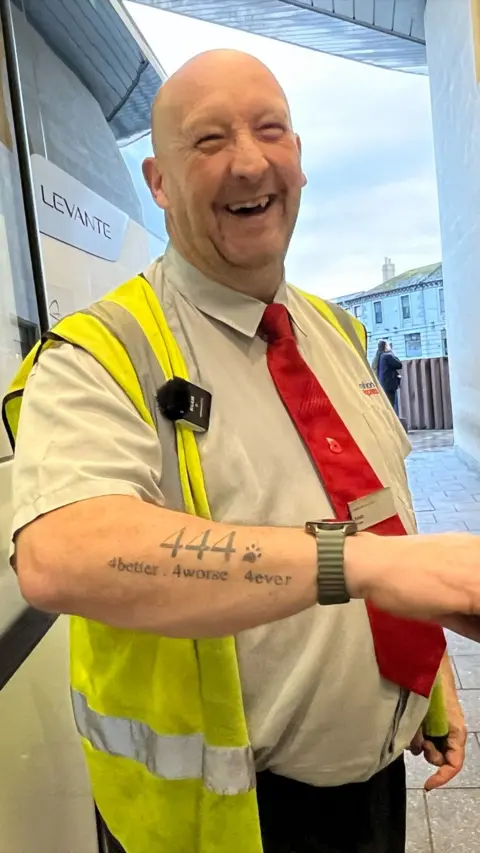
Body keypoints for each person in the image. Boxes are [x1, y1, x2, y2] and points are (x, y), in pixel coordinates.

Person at [4, 50, 480, 853]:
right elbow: (61, 556)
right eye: (209, 140)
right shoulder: (98, 353)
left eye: (271, 130)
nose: (250, 160)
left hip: (371, 790)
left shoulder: (336, 329)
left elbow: (371, 507)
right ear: (158, 182)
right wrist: (355, 565)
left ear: (298, 158)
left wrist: (424, 675)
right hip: (226, 822)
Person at [372, 339, 402, 412]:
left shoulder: (377, 357)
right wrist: (392, 352)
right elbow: (399, 365)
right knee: (391, 406)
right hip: (389, 386)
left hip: (380, 385)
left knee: (385, 405)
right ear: (385, 346)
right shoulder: (387, 356)